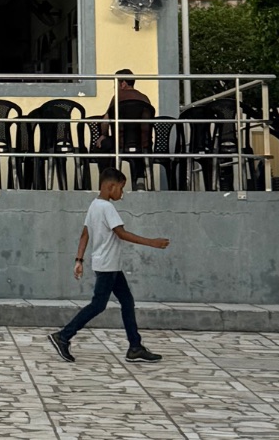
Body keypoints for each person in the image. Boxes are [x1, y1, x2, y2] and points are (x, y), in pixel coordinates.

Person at [50, 167, 170, 364]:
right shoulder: (106, 208)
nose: (122, 194)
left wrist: (78, 261)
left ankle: (135, 347)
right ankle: (63, 336)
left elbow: (84, 235)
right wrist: (152, 242)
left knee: (127, 302)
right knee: (98, 305)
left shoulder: (94, 205)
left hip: (110, 265)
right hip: (107, 266)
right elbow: (121, 233)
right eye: (121, 189)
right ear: (110, 186)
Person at [99, 69, 154, 190]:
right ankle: (140, 180)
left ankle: (107, 182)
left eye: (116, 84)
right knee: (138, 149)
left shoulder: (118, 97)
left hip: (120, 142)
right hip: (143, 144)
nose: (115, 87)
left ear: (123, 83)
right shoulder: (145, 99)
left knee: (103, 146)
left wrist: (103, 135)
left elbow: (105, 121)